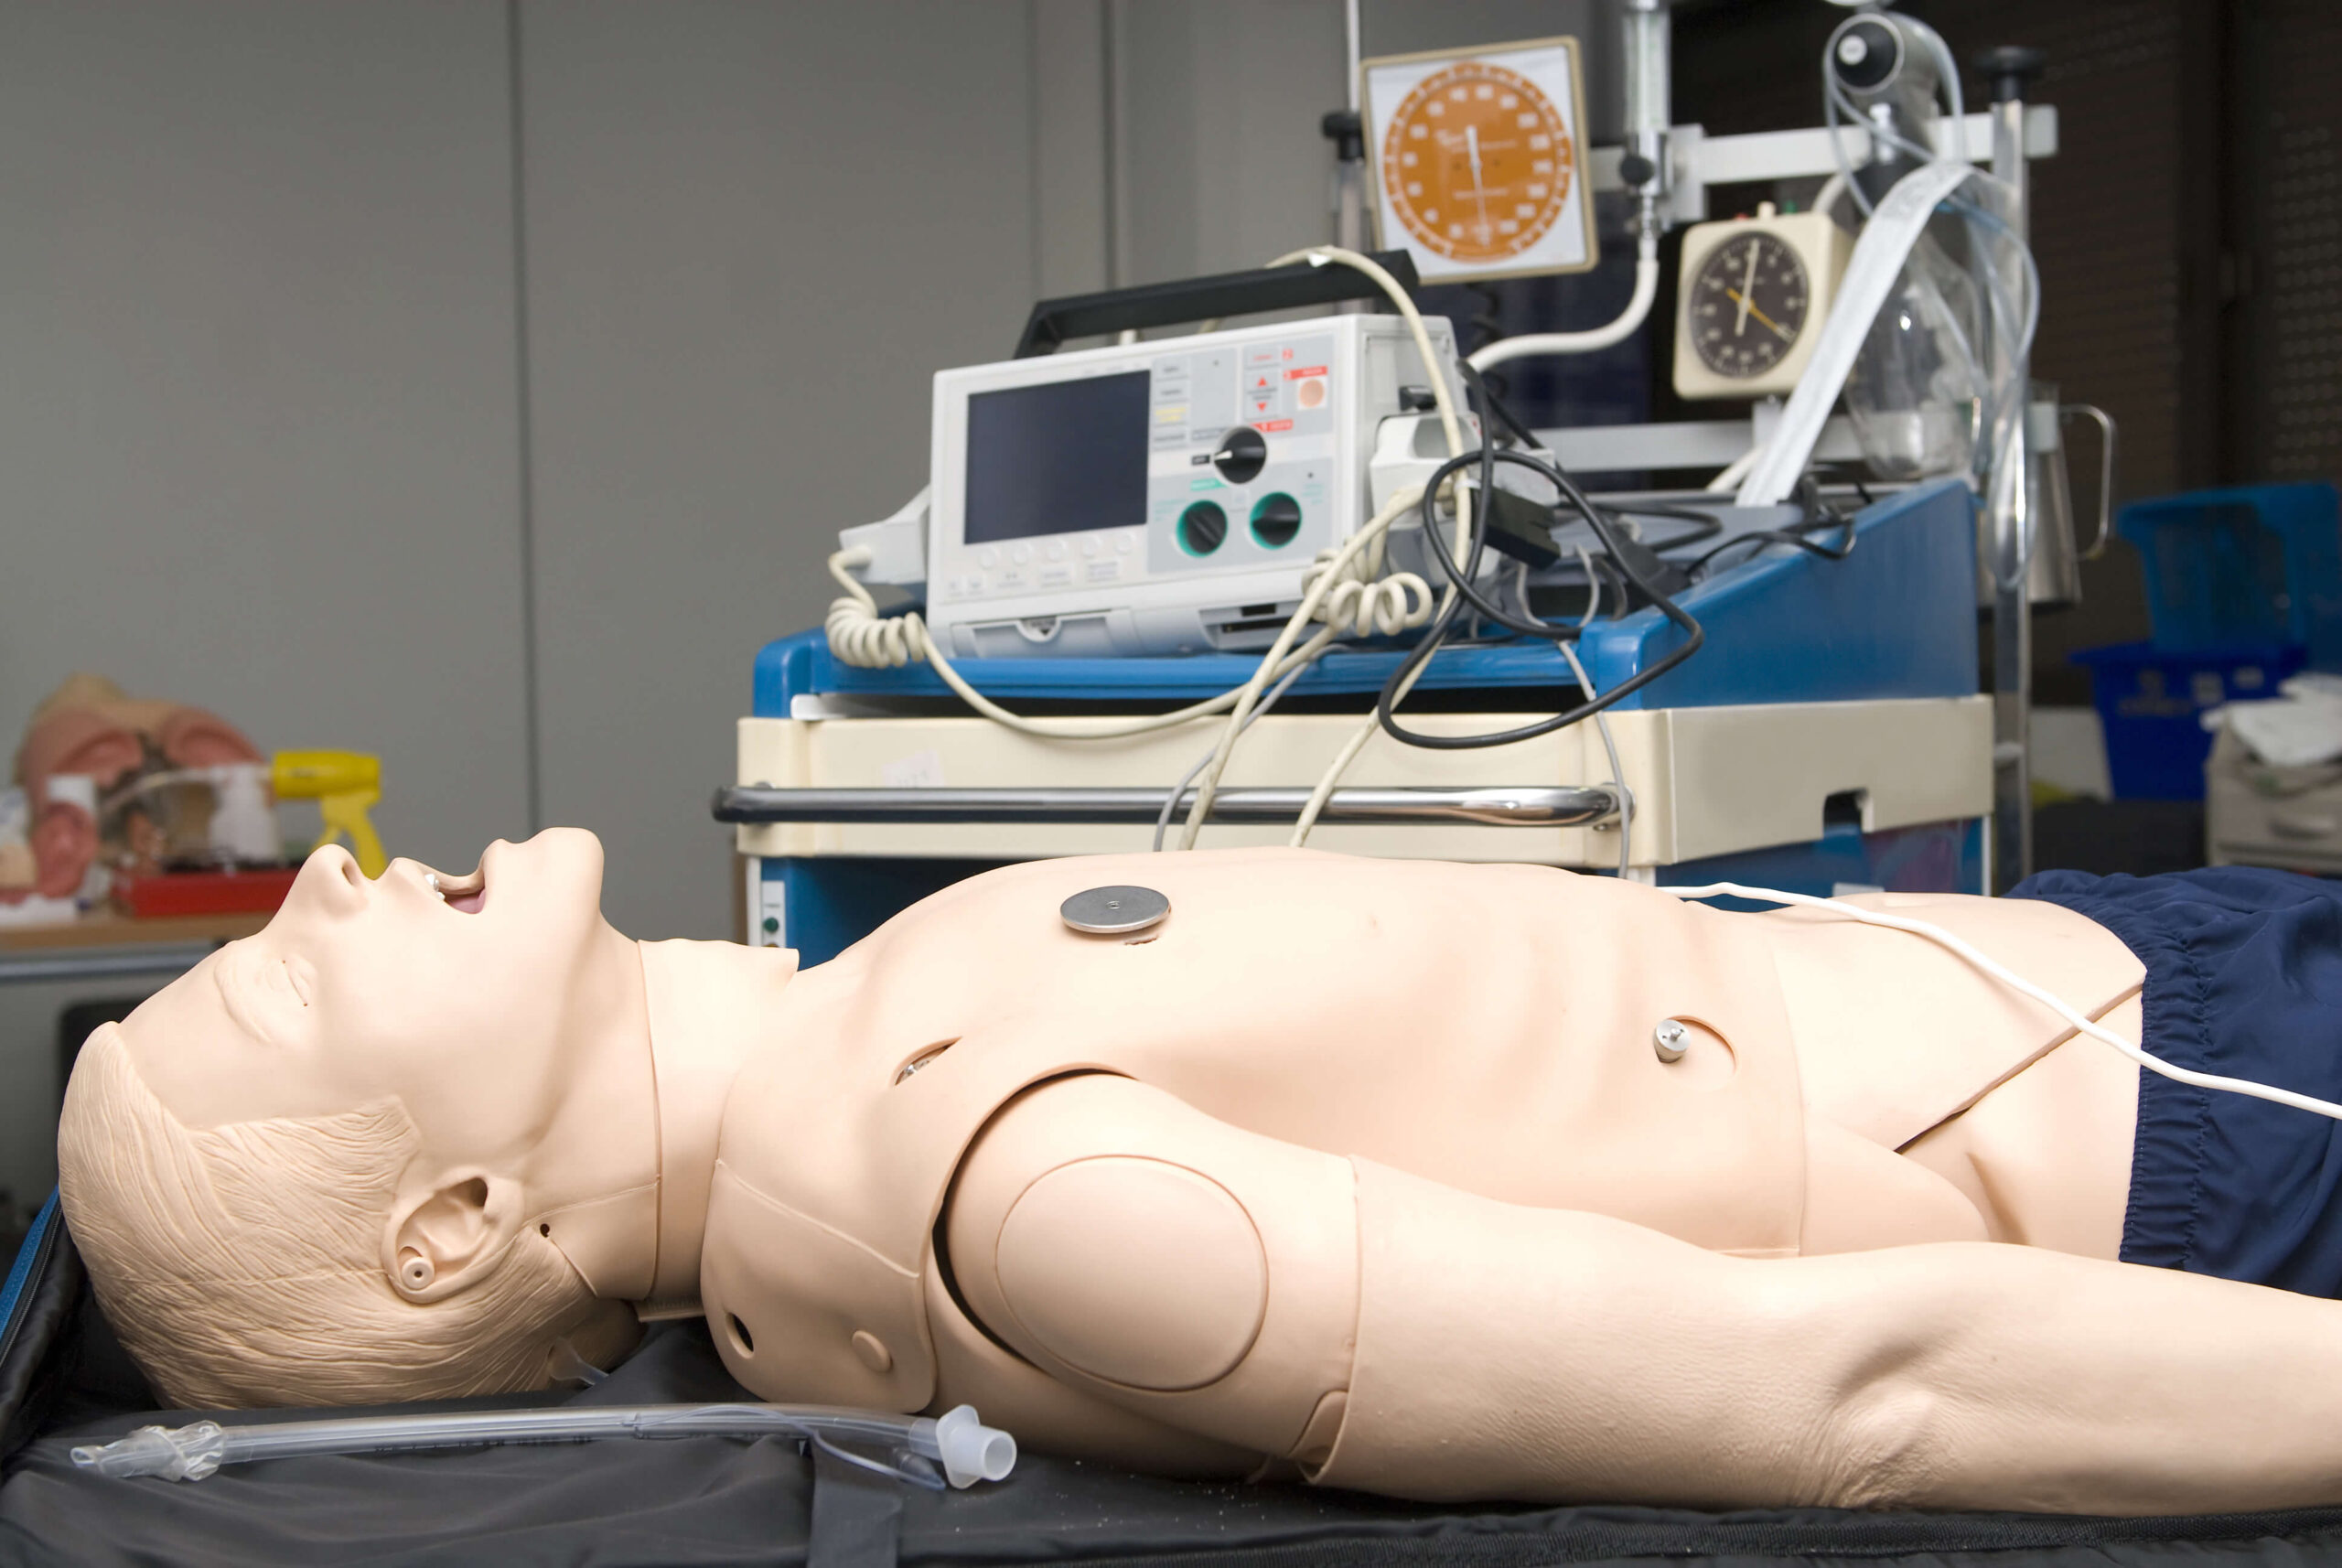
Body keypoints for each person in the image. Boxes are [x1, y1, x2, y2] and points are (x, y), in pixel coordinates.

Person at [53, 831, 2342, 1512]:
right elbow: (1858, 1385)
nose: (326, 878)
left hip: (2143, 977)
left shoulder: (855, 1046)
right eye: (280, 982)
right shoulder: (1017, 1206)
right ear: (450, 1221)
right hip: (2202, 1120)